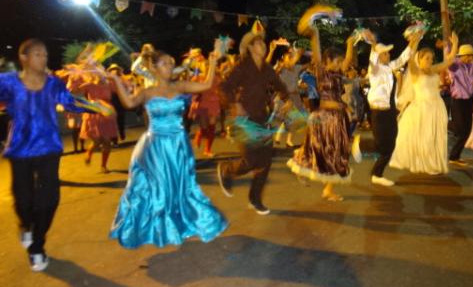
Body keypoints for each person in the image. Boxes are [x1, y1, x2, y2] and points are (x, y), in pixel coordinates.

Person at [108, 49, 227, 248]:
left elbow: (206, 85)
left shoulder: (180, 86)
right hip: (156, 146)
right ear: (153, 68)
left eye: (171, 63)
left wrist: (213, 61)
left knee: (181, 184)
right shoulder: (147, 92)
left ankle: (180, 223)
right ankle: (162, 227)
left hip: (179, 144)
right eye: (165, 63)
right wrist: (115, 79)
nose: (170, 67)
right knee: (161, 186)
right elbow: (128, 102)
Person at [0, 39, 89, 271]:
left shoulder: (53, 83)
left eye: (45, 55)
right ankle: (26, 225)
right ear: (24, 58)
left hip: (49, 146)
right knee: (24, 200)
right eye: (38, 54)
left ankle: (37, 246)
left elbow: (70, 102)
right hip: (20, 149)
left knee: (50, 199)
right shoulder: (8, 82)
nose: (44, 58)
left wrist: (96, 106)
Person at [218, 30, 290, 215]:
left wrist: (285, 99)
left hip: (262, 119)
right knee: (250, 160)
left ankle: (255, 199)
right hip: (244, 120)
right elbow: (225, 87)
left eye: (263, 44)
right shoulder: (242, 66)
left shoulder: (267, 69)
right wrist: (234, 105)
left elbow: (280, 86)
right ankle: (227, 170)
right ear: (250, 47)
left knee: (265, 161)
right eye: (259, 44)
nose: (263, 46)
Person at [287, 22, 357, 201]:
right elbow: (317, 53)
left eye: (341, 61)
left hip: (339, 119)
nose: (341, 63)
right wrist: (315, 33)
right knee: (316, 149)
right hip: (324, 117)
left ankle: (328, 189)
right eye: (337, 60)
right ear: (327, 61)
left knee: (339, 154)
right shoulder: (321, 71)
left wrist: (350, 43)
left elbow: (348, 61)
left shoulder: (338, 74)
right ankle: (301, 168)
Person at [389, 32, 459, 175]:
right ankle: (422, 163)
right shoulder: (415, 72)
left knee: (433, 138)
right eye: (427, 58)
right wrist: (415, 41)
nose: (430, 61)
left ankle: (431, 163)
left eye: (432, 58)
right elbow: (410, 58)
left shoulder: (433, 70)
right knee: (423, 138)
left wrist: (455, 44)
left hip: (436, 108)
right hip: (421, 109)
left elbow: (450, 60)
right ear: (419, 59)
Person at [365, 29, 419, 186]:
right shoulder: (373, 70)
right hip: (378, 112)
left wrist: (413, 41)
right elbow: (373, 59)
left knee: (391, 142)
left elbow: (404, 57)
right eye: (385, 53)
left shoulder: (390, 67)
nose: (388, 55)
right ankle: (376, 172)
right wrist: (373, 44)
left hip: (389, 111)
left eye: (388, 53)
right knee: (384, 145)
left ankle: (377, 172)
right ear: (379, 55)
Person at [447, 39, 473, 166]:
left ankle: (455, 156)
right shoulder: (455, 66)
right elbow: (449, 60)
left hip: (469, 101)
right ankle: (453, 156)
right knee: (461, 131)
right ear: (463, 56)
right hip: (458, 101)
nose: (471, 57)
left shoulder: (472, 66)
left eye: (472, 56)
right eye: (470, 55)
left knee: (467, 130)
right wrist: (453, 45)